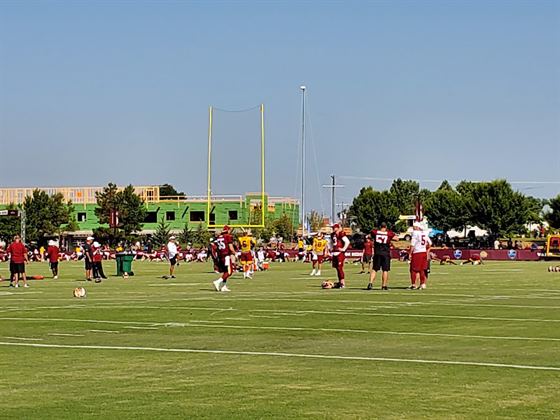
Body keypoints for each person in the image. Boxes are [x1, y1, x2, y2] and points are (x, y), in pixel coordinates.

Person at [368, 222, 398, 290]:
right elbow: (396, 238)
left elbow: (369, 236)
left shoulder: (375, 232)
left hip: (377, 252)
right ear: (386, 227)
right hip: (385, 253)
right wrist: (390, 238)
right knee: (385, 270)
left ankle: (370, 283)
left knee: (374, 269)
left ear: (380, 226)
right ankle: (384, 285)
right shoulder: (389, 233)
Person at [408, 222, 432, 290]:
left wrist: (410, 253)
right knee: (422, 269)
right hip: (423, 252)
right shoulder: (424, 233)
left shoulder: (415, 233)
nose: (413, 228)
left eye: (414, 226)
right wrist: (425, 249)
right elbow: (430, 243)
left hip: (417, 252)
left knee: (413, 269)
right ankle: (422, 284)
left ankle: (413, 284)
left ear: (417, 227)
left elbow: (412, 244)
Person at [212, 225, 236, 292]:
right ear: (228, 230)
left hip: (221, 256)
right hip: (226, 256)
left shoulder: (219, 237)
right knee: (229, 272)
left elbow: (216, 247)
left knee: (225, 271)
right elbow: (231, 247)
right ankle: (218, 282)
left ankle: (223, 286)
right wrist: (235, 253)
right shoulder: (227, 236)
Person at [330, 223, 350, 288]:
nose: (333, 229)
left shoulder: (341, 234)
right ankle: (340, 282)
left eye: (334, 227)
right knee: (337, 268)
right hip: (334, 252)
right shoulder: (333, 234)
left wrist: (343, 249)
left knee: (339, 268)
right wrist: (331, 249)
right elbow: (331, 242)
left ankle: (342, 282)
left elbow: (347, 242)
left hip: (339, 253)